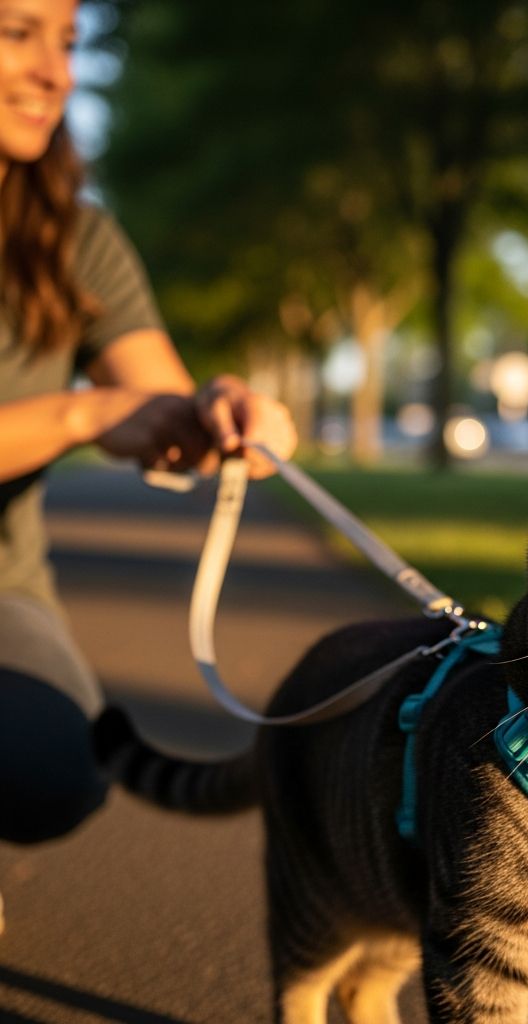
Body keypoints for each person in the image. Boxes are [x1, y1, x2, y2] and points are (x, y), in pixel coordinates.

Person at [0, 0, 298, 866]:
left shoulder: (76, 238)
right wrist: (81, 415)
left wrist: (227, 413)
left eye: (67, 41)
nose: (58, 75)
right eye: (18, 33)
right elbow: (97, 411)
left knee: (58, 769)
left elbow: (161, 399)